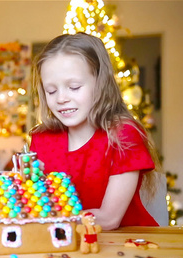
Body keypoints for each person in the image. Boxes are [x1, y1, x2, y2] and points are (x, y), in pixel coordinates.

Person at [29, 33, 161, 230]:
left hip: (127, 246)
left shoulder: (123, 135)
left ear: (100, 83)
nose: (61, 98)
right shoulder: (42, 138)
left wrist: (46, 217)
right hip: (65, 245)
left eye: (74, 87)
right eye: (51, 91)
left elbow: (108, 219)